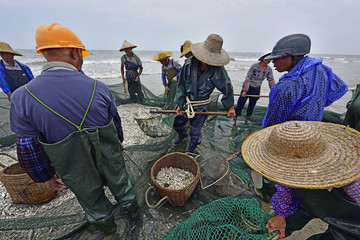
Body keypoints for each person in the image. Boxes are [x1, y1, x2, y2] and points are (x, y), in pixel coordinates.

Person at [9, 23, 137, 234]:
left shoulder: (22, 97)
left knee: (92, 201)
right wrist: (119, 143)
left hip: (73, 167)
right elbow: (115, 123)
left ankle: (107, 230)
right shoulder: (100, 88)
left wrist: (46, 176)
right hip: (109, 157)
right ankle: (134, 215)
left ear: (44, 54)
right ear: (76, 53)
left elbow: (27, 145)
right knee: (123, 186)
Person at [258, 33, 353, 239]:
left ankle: (282, 216)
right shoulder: (320, 69)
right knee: (308, 181)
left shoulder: (286, 87)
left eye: (277, 58)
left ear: (294, 57)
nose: (272, 62)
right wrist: (315, 104)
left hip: (290, 140)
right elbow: (340, 88)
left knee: (285, 178)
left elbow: (270, 127)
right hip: (315, 136)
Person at [242, 120, 360, 240]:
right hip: (305, 200)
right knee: (280, 223)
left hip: (351, 219)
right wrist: (281, 215)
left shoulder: (354, 179)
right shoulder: (283, 160)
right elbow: (285, 190)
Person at [174, 34, 236, 153]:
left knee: (195, 133)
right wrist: (179, 103)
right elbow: (181, 85)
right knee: (176, 123)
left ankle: (191, 151)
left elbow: (227, 87)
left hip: (201, 107)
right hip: (187, 103)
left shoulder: (218, 70)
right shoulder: (188, 64)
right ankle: (182, 135)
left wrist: (230, 107)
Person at [234, 52, 274, 124]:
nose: (269, 60)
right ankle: (235, 119)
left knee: (252, 105)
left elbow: (271, 80)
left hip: (257, 89)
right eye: (268, 59)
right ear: (263, 59)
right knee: (240, 104)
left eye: (270, 59)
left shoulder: (269, 69)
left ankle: (247, 119)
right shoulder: (254, 66)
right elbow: (248, 78)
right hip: (248, 87)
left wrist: (274, 91)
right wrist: (245, 90)